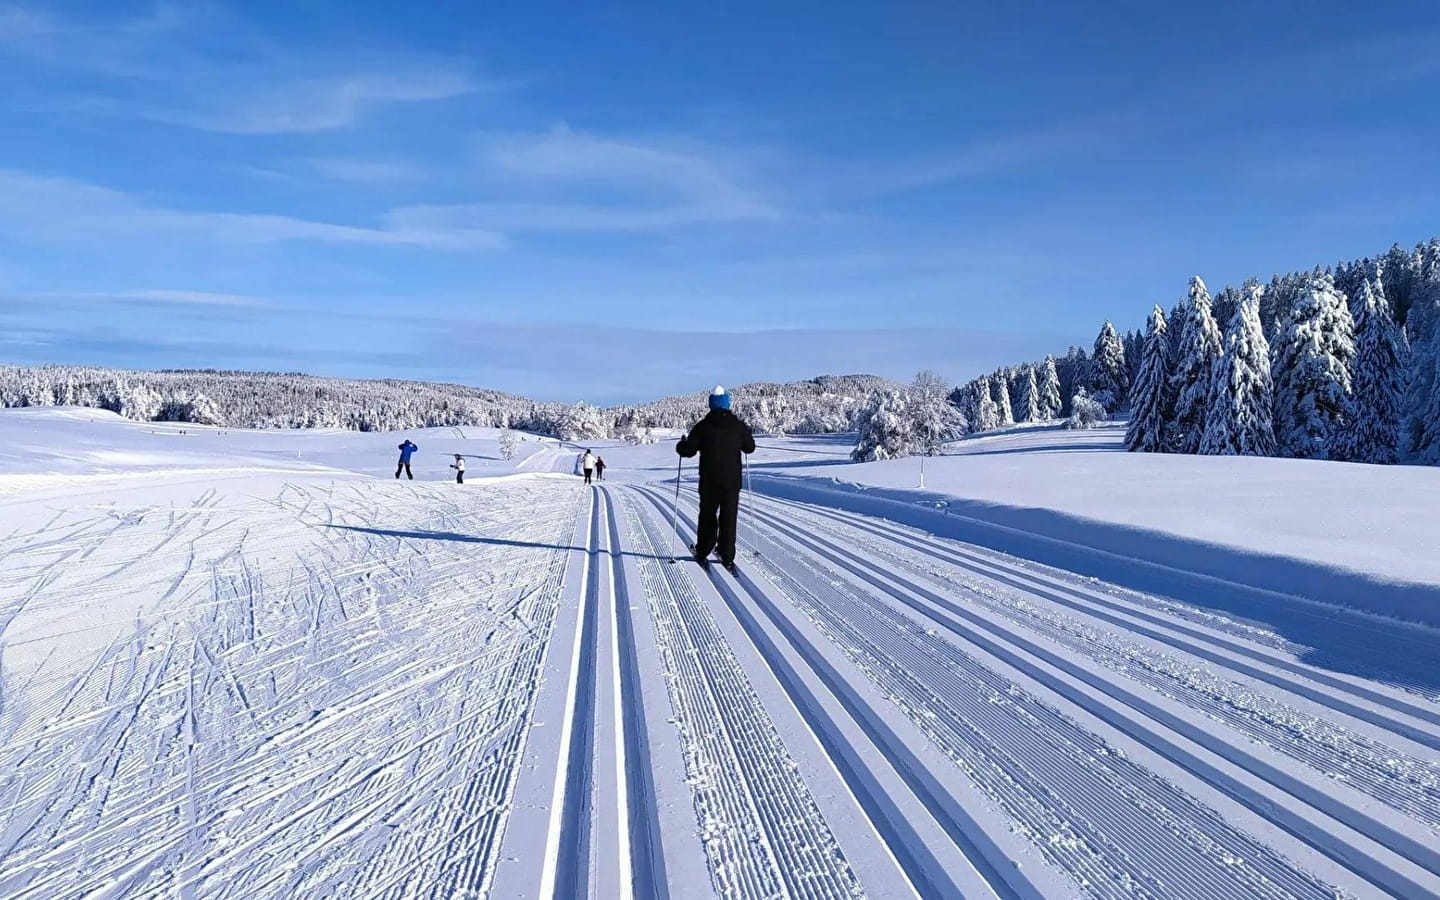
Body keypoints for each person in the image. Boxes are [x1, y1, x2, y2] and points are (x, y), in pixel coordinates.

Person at [677, 386, 755, 574]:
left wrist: (681, 444)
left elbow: (688, 451)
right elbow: (750, 447)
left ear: (711, 405)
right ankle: (727, 554)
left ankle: (703, 550)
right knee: (729, 516)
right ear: (727, 404)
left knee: (707, 515)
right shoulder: (738, 425)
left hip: (709, 480)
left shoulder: (703, 425)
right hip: (732, 481)